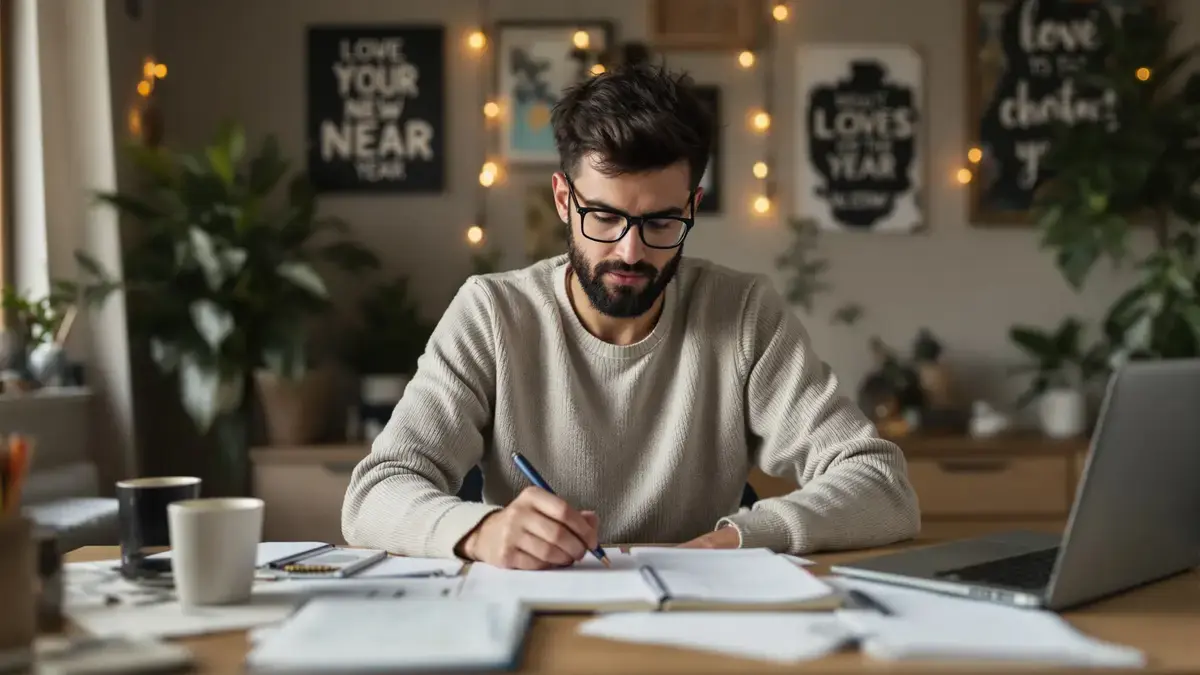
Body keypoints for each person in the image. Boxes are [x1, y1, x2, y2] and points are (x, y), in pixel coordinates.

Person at [341, 63, 920, 569]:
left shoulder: (743, 314)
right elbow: (374, 495)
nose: (630, 251)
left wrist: (735, 540)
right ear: (564, 200)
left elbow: (881, 486)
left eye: (661, 223)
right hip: (533, 610)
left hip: (699, 609)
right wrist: (479, 530)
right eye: (603, 217)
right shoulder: (492, 313)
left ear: (693, 206)